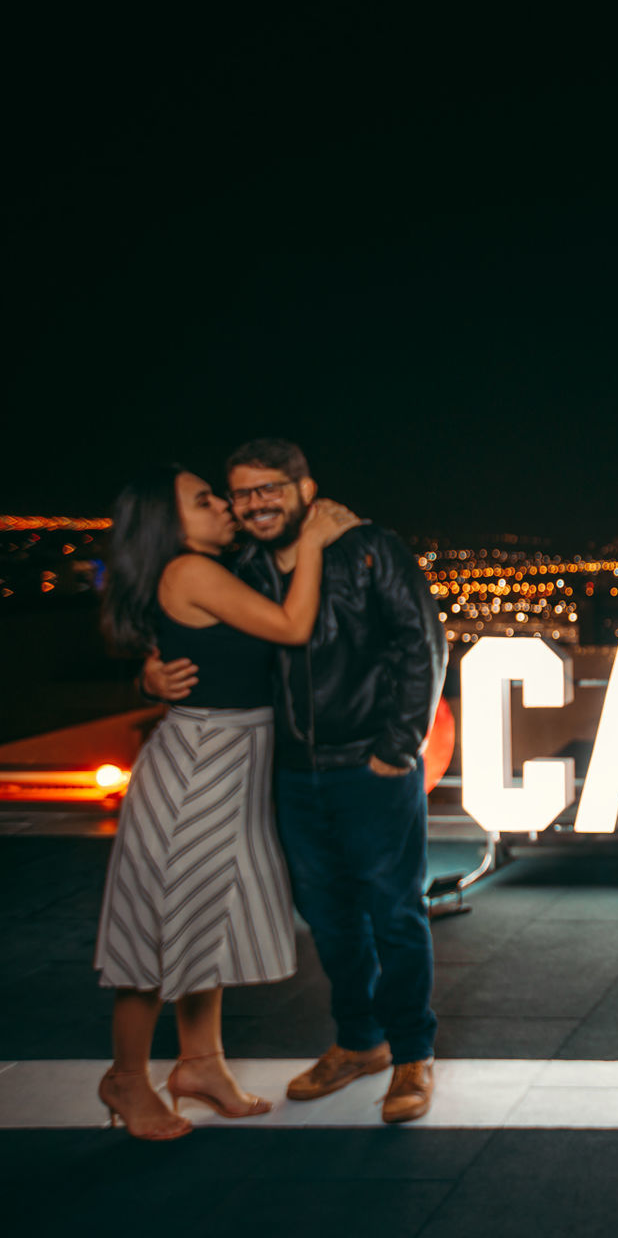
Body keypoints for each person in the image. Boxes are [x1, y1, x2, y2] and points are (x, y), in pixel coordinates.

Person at [143, 439, 447, 1124]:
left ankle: (411, 1056)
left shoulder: (369, 548)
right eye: (241, 492)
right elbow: (186, 629)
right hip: (289, 772)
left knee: (394, 913)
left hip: (370, 767)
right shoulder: (241, 565)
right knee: (329, 920)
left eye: (269, 488)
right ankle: (359, 1042)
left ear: (306, 490)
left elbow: (421, 643)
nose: (254, 503)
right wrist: (148, 673)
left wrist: (397, 749)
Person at [96, 465, 359, 1139]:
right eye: (204, 500)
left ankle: (200, 1064)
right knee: (159, 923)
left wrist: (150, 674)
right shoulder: (189, 570)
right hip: (200, 765)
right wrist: (317, 547)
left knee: (200, 913)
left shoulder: (212, 567)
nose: (225, 507)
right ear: (167, 521)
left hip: (228, 757)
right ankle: (127, 1079)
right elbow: (291, 627)